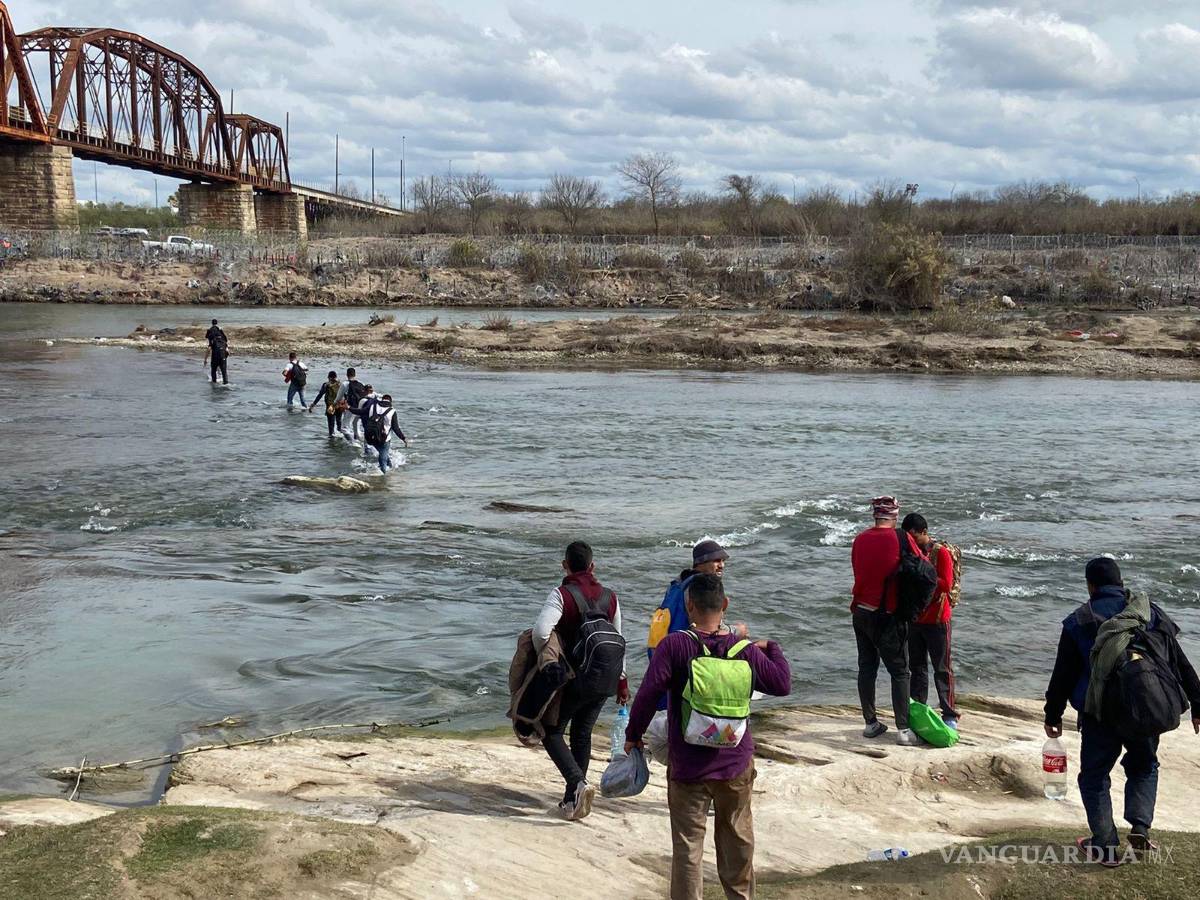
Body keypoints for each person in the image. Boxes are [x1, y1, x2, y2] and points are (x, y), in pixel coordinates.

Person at [625, 574, 791, 900]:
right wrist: (772, 646)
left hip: (688, 765)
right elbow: (781, 684)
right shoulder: (743, 649)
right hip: (735, 763)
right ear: (725, 605)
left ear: (689, 606)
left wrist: (633, 736)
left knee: (688, 848)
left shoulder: (675, 645)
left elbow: (646, 695)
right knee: (738, 841)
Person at [1044, 558, 1200, 866]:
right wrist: (1197, 704)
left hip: (1100, 714)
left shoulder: (1080, 620)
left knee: (1094, 776)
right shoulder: (1148, 612)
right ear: (1120, 582)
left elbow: (1062, 675)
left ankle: (1103, 845)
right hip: (1146, 709)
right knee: (1144, 766)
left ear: (1091, 586)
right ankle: (1140, 826)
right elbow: (1179, 662)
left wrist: (1053, 715)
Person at [533, 540, 627, 821]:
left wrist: (546, 661)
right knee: (582, 733)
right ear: (592, 566)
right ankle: (572, 799)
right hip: (605, 678)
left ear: (565, 565)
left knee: (550, 730)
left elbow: (540, 632)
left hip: (574, 677)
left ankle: (577, 784)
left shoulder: (562, 594)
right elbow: (620, 637)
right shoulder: (611, 596)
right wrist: (622, 681)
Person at [850, 495, 917, 746]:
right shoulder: (901, 538)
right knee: (900, 671)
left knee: (867, 668)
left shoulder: (859, 539)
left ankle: (870, 723)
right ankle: (903, 730)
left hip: (861, 611)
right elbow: (919, 567)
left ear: (874, 515)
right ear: (896, 515)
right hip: (887, 614)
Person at [903, 513, 960, 729]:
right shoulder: (909, 551)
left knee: (942, 668)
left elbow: (945, 584)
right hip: (916, 618)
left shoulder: (940, 553)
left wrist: (921, 574)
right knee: (917, 668)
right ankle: (919, 708)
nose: (911, 540)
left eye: (914, 536)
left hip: (937, 619)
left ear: (924, 533)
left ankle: (950, 713)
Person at [361, 393, 409, 474]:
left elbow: (361, 412)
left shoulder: (373, 406)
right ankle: (383, 474)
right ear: (390, 401)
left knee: (383, 453)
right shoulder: (392, 411)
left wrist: (349, 408)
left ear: (382, 399)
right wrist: (403, 438)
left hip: (370, 435)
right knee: (383, 454)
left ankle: (389, 466)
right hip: (384, 438)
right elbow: (395, 428)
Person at [307, 371, 344, 437]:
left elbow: (320, 395)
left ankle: (331, 438)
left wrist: (313, 404)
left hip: (330, 406)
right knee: (339, 422)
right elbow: (345, 395)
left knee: (331, 424)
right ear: (336, 377)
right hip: (339, 405)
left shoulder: (326, 385)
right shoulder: (341, 384)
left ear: (329, 377)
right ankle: (340, 436)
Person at [340, 367, 368, 441]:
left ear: (347, 374)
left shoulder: (345, 384)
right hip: (361, 408)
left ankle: (353, 443)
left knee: (344, 428)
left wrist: (334, 404)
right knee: (356, 426)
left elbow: (338, 397)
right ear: (355, 374)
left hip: (351, 407)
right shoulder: (361, 383)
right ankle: (363, 443)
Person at [203, 319, 229, 385]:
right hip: (223, 357)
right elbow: (228, 351)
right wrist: (224, 358)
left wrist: (205, 359)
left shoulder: (212, 336)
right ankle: (226, 383)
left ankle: (214, 384)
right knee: (224, 372)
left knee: (213, 371)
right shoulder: (223, 340)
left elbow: (209, 349)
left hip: (215, 357)